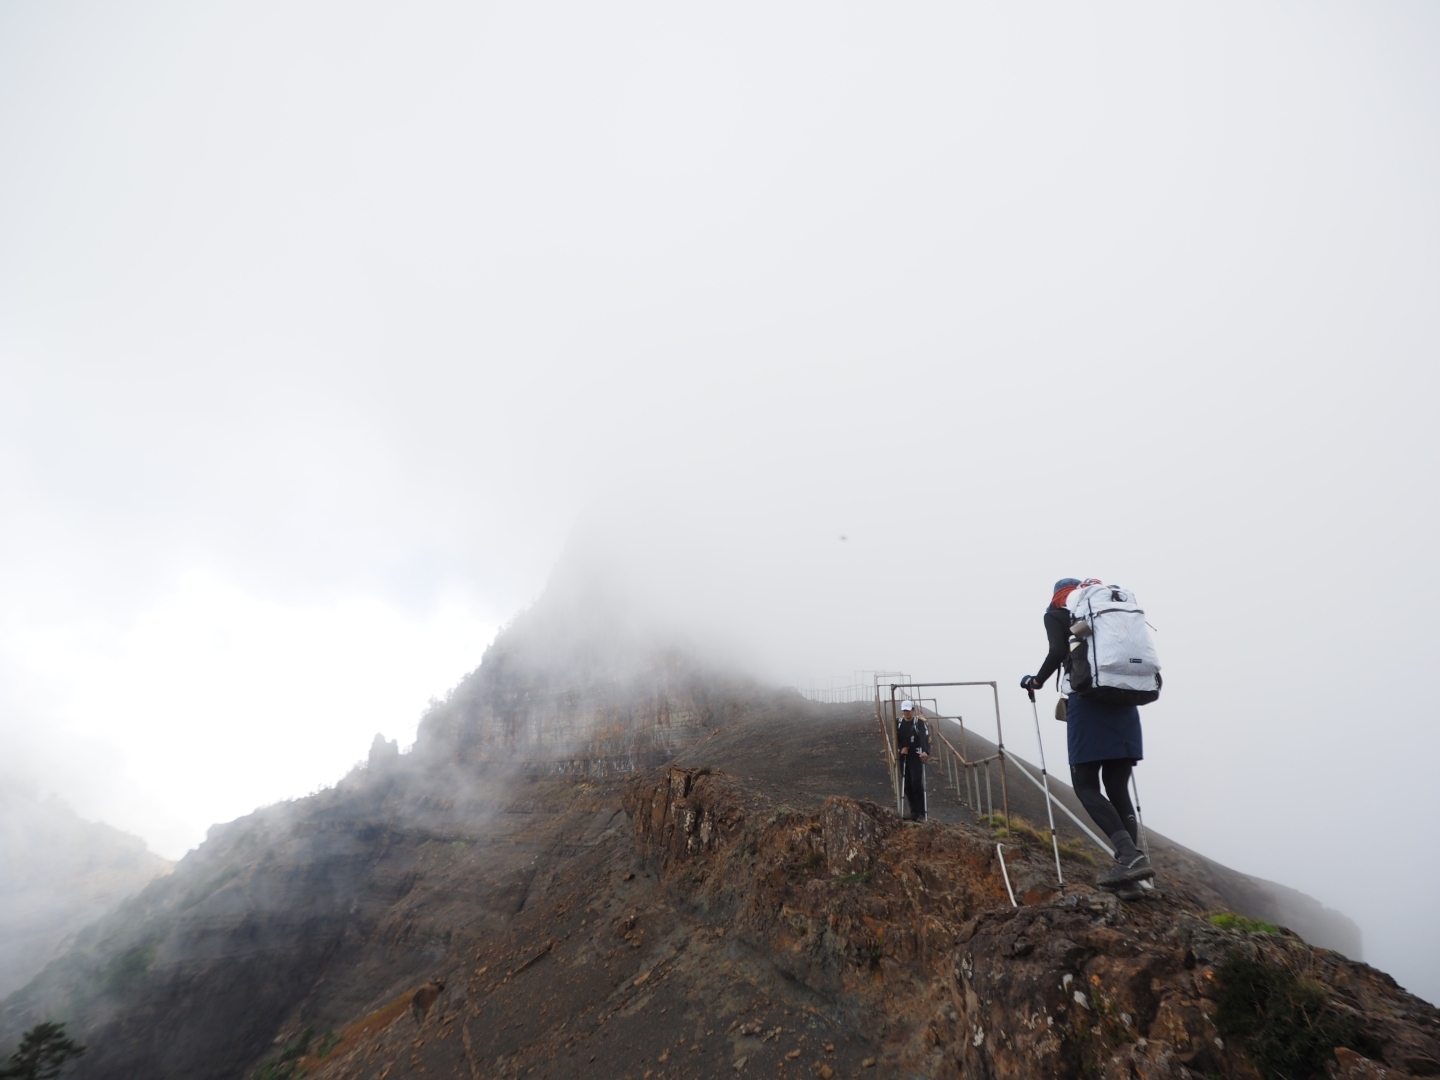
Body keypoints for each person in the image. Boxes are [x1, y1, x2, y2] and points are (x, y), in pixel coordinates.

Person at [1021, 578, 1154, 891]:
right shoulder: (1104, 612)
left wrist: (1036, 681)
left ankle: (1128, 857)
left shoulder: (1057, 613)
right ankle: (1129, 879)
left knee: (1085, 785)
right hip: (1126, 701)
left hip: (1088, 704)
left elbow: (1057, 651)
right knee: (1117, 787)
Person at [895, 699, 931, 822]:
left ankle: (921, 813)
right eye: (904, 710)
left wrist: (925, 751)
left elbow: (924, 738)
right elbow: (896, 739)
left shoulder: (919, 723)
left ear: (913, 710)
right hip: (904, 757)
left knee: (916, 783)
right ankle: (914, 811)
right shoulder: (899, 723)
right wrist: (901, 749)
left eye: (908, 710)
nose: (906, 713)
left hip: (916, 756)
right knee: (907, 785)